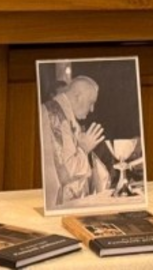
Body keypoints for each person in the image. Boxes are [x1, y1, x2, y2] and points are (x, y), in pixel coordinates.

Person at [41, 74, 110, 207]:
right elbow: (63, 173)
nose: (92, 109)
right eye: (91, 102)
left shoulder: (65, 114)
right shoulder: (55, 116)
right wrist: (84, 149)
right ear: (78, 96)